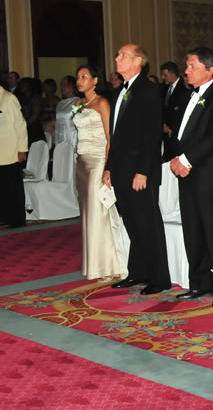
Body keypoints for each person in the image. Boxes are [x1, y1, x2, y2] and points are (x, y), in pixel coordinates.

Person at [167, 47, 213, 307]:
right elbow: (179, 132)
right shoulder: (186, 95)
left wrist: (186, 159)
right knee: (193, 229)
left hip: (207, 173)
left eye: (192, 66)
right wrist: (176, 157)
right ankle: (199, 283)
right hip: (186, 172)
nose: (186, 71)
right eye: (187, 66)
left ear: (210, 70)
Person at [105, 44, 171, 295]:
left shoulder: (149, 90)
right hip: (121, 169)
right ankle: (139, 272)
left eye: (123, 55)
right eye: (118, 54)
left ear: (138, 61)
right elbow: (116, 135)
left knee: (148, 223)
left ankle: (160, 277)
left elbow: (151, 133)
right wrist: (109, 167)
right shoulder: (119, 91)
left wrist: (143, 171)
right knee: (132, 222)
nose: (117, 58)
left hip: (139, 171)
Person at [73, 65, 127, 282]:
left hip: (97, 162)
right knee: (87, 213)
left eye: (84, 77)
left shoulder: (102, 103)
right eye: (78, 77)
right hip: (82, 162)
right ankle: (93, 263)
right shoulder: (78, 104)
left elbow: (110, 138)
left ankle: (107, 265)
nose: (79, 80)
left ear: (95, 80)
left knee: (99, 214)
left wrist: (108, 167)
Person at [0, 85, 27, 228]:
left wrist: (22, 149)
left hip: (10, 151)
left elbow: (20, 125)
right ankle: (4, 216)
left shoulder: (8, 98)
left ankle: (17, 219)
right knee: (2, 187)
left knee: (12, 187)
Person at [54, 76, 79, 149]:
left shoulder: (78, 101)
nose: (62, 87)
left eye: (65, 84)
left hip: (71, 135)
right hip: (59, 134)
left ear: (72, 86)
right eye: (61, 84)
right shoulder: (60, 103)